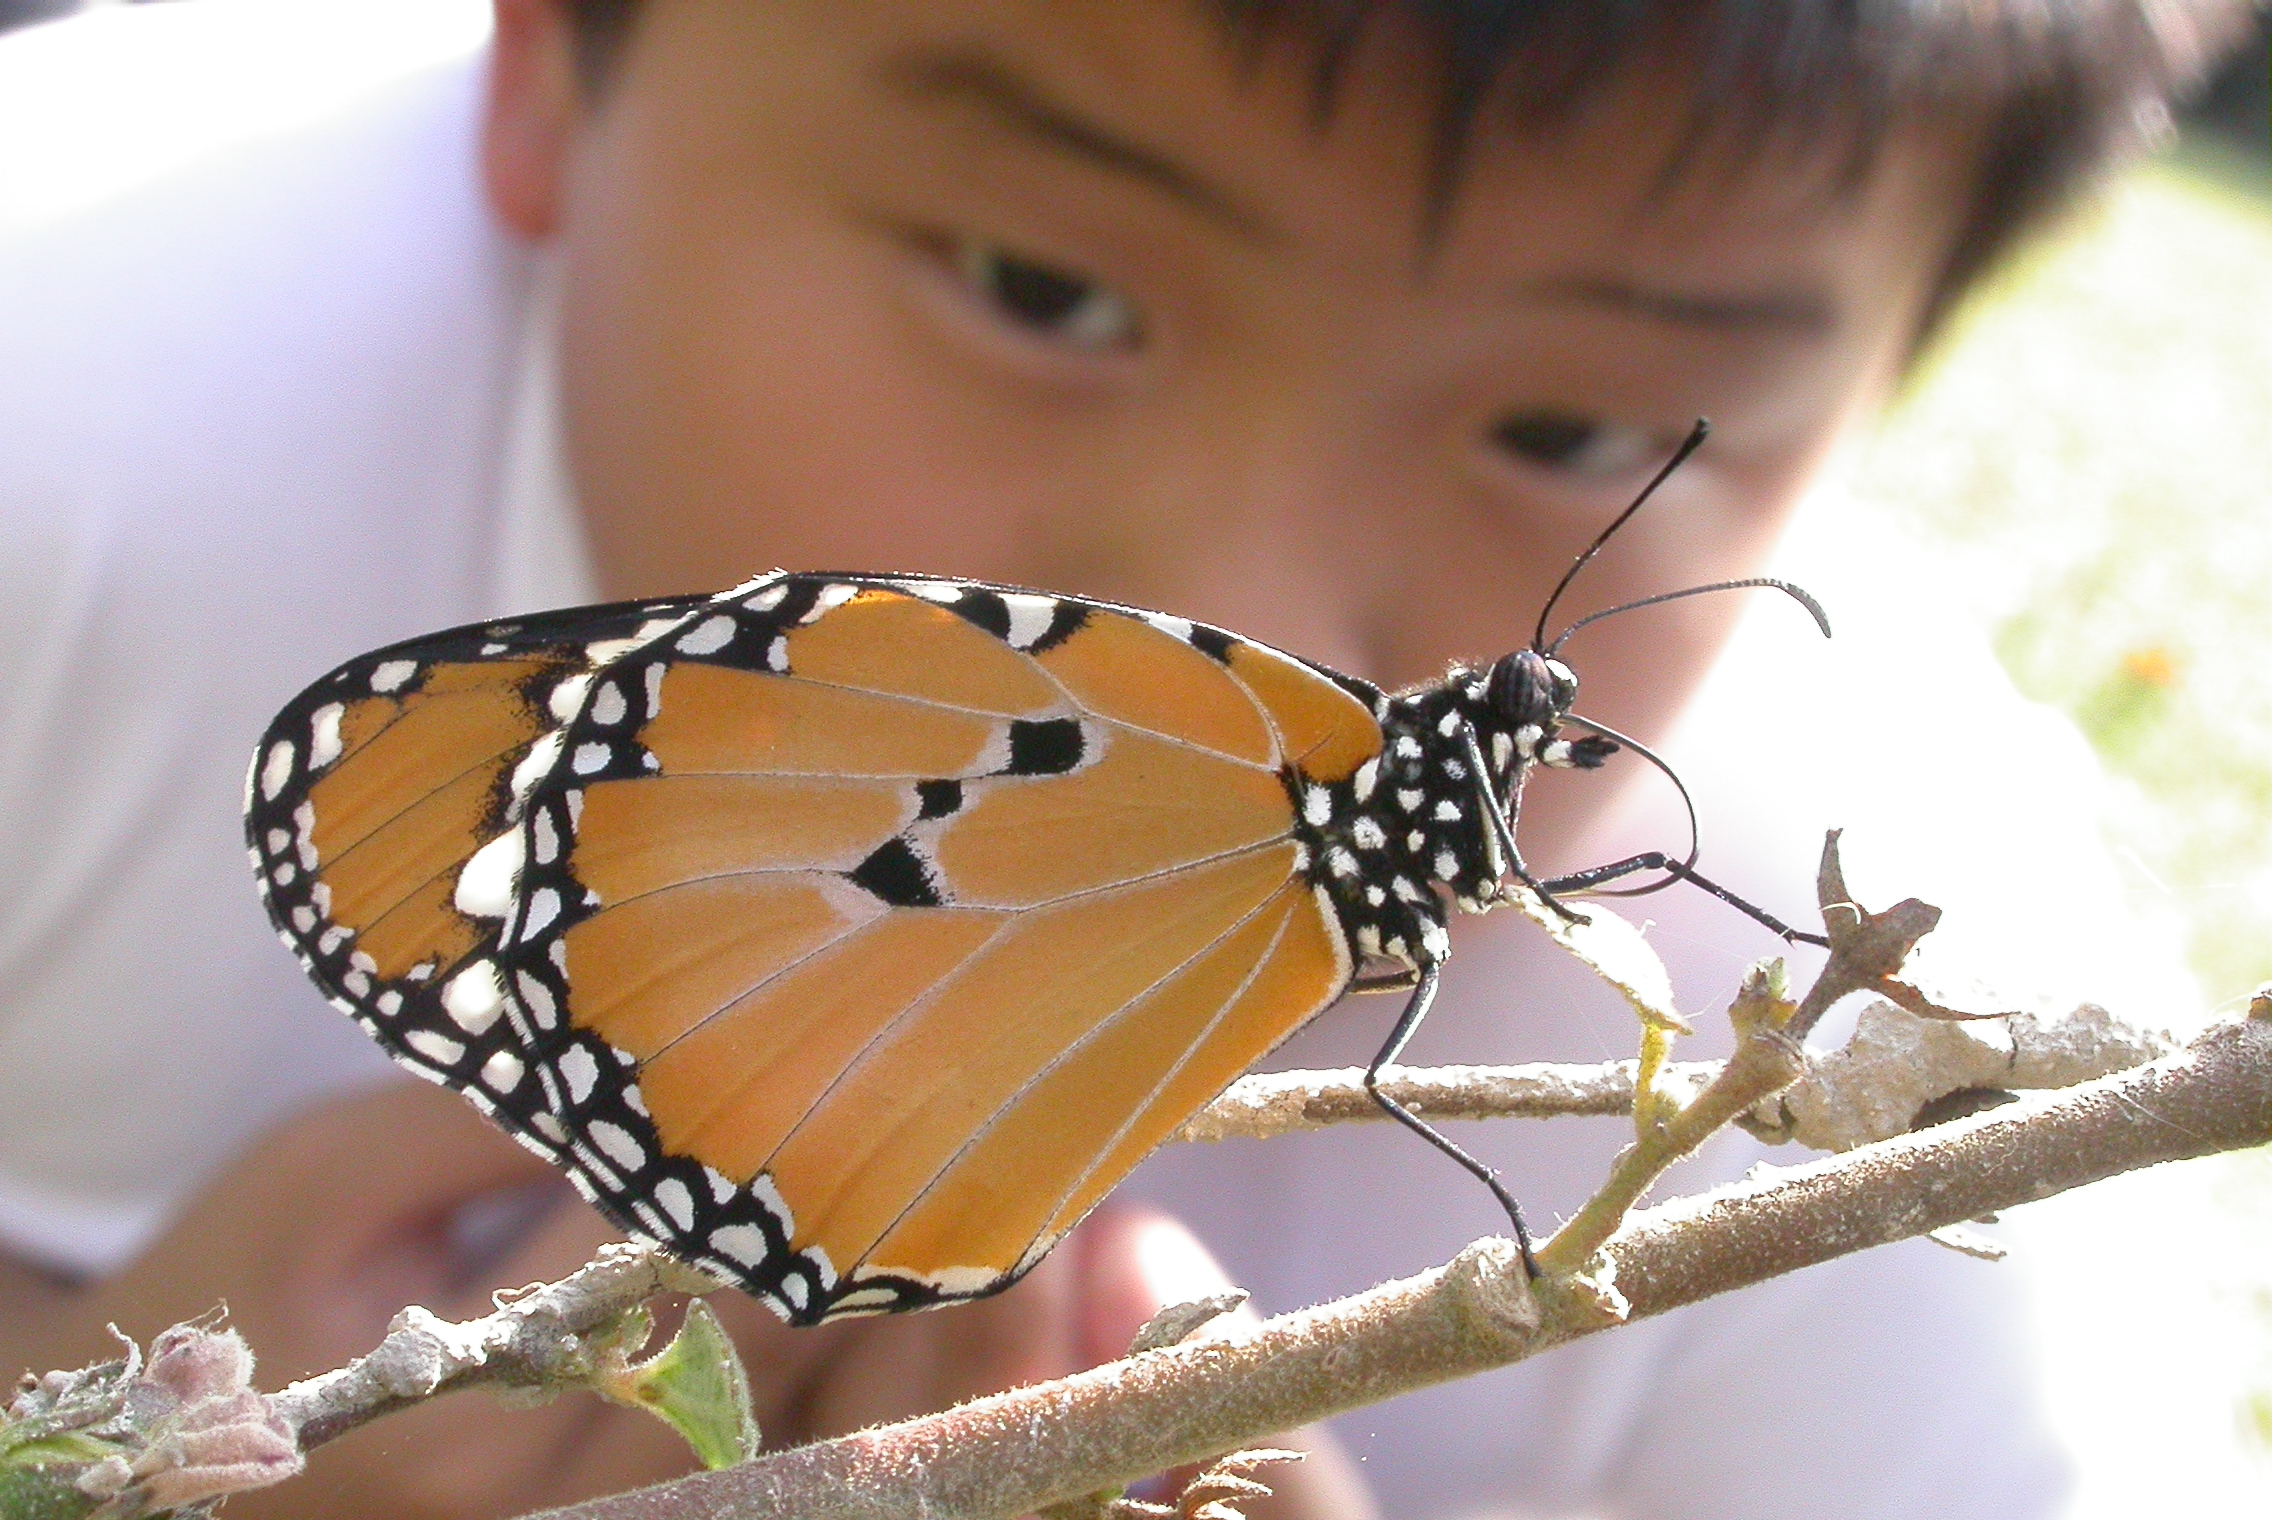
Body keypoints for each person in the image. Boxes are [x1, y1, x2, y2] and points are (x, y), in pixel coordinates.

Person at [0, 1, 2242, 1516]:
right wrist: (95, 1434)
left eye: (1558, 429)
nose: (1257, 600)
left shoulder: (1930, 1102)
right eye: (1036, 286)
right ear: (541, 64)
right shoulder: (68, 387)